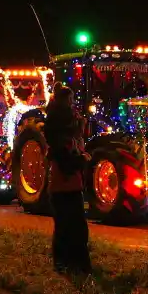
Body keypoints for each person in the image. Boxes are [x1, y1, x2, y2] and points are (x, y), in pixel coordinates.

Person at [44, 84, 91, 274]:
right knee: (67, 226)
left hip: (71, 186)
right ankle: (66, 262)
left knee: (75, 226)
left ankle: (74, 262)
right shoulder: (60, 140)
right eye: (70, 100)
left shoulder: (70, 138)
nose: (73, 104)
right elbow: (66, 163)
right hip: (63, 187)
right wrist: (81, 160)